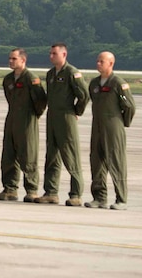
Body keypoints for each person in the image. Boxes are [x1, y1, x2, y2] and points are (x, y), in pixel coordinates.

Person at [37, 42, 90, 206]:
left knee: (70, 155)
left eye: (54, 53)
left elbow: (84, 95)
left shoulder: (72, 73)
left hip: (66, 117)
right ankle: (51, 192)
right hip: (52, 117)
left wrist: (76, 111)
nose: (51, 56)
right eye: (50, 53)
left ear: (64, 54)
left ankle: (76, 194)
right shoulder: (51, 74)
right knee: (52, 156)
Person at [0, 48, 47, 202]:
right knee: (9, 155)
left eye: (14, 59)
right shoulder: (8, 79)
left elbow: (41, 100)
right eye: (10, 58)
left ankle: (31, 189)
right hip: (12, 118)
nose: (11, 61)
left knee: (28, 155)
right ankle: (10, 189)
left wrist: (33, 115)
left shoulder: (31, 78)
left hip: (27, 120)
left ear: (23, 60)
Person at [86, 51, 136, 210]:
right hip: (97, 127)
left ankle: (121, 199)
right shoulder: (94, 84)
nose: (98, 64)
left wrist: (122, 123)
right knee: (97, 161)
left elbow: (129, 106)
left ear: (111, 64)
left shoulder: (118, 84)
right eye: (97, 61)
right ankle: (99, 198)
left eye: (102, 61)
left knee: (116, 161)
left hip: (113, 128)